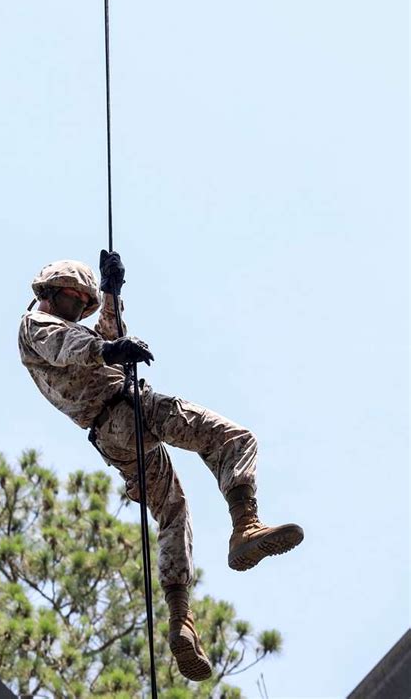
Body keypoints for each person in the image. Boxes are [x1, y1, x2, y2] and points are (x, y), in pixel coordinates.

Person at [19, 253, 304, 682]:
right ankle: (246, 525)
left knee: (174, 510)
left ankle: (180, 620)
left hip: (113, 438)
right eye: (73, 301)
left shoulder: (67, 331)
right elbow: (73, 347)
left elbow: (97, 341)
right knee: (233, 438)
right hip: (127, 409)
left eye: (83, 304)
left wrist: (111, 296)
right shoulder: (35, 326)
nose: (78, 310)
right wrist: (108, 348)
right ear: (50, 293)